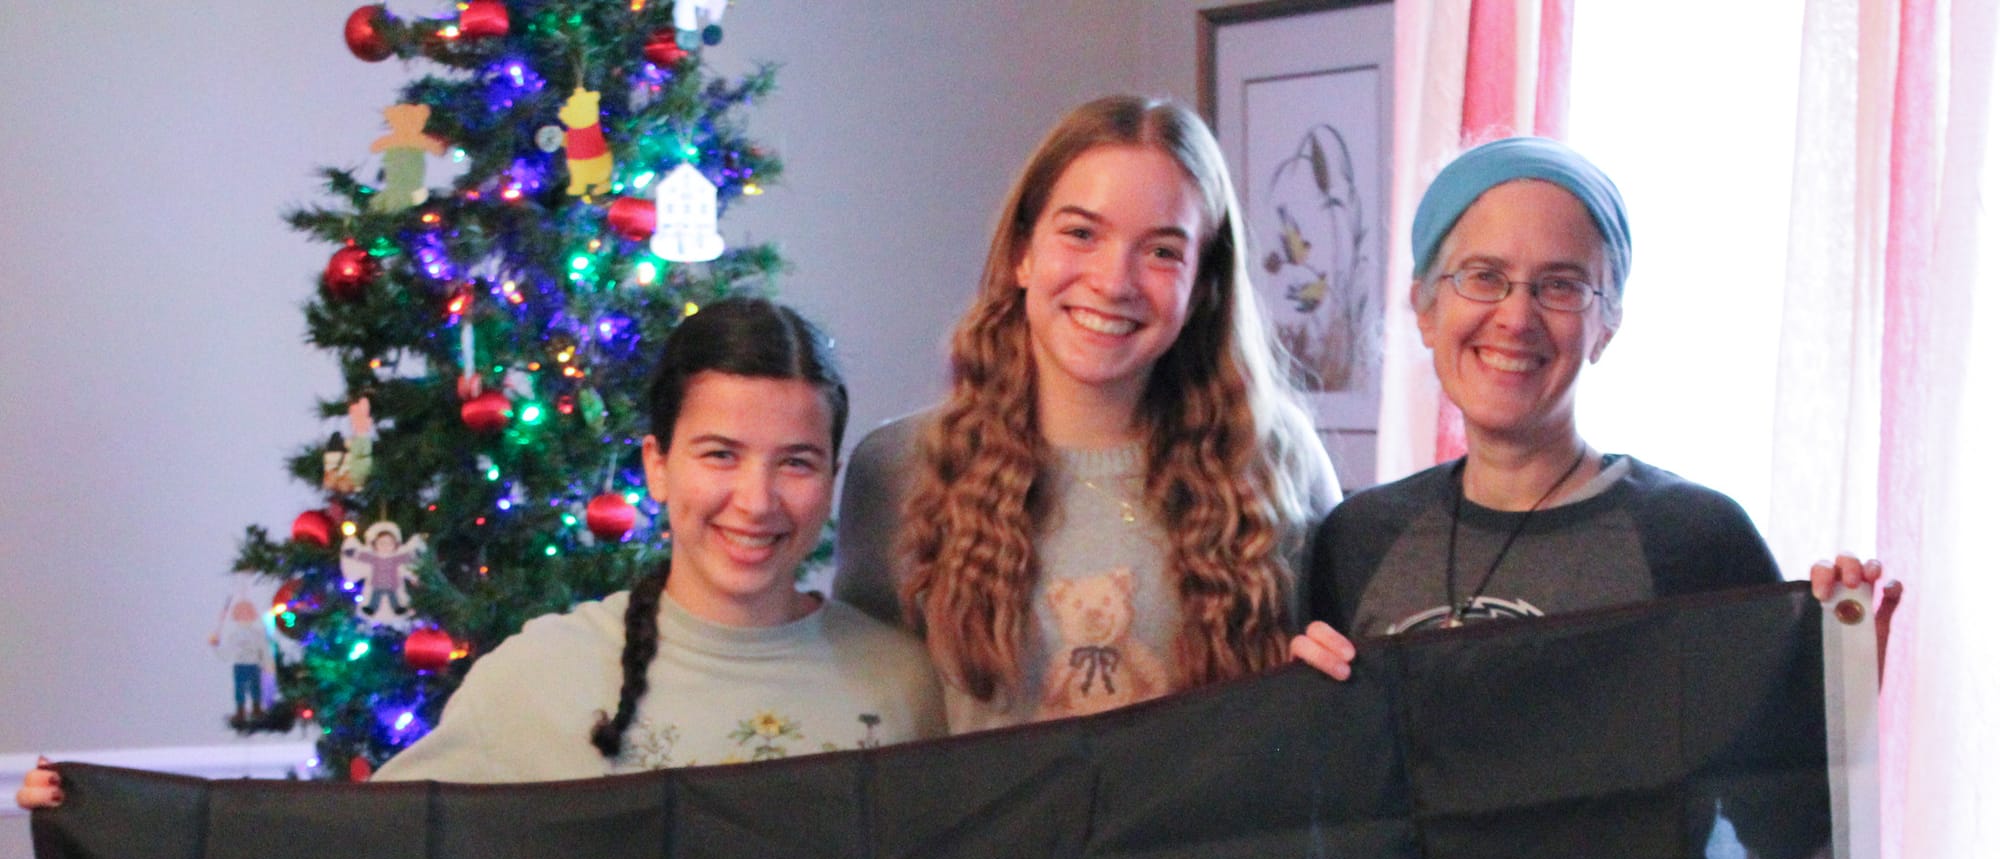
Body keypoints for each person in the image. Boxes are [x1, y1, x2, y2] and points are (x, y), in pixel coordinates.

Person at [17, 301, 943, 811]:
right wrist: (117, 815)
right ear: (656, 465)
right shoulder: (539, 678)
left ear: (830, 478)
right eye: (719, 456)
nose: (757, 501)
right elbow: (342, 857)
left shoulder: (906, 687)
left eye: (797, 463)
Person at [1286, 136, 1888, 684]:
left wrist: (1846, 684)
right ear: (1425, 307)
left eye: (1561, 286)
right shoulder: (1356, 539)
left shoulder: (1698, 541)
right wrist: (1301, 710)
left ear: (1607, 324)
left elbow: (1775, 776)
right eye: (1484, 276)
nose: (1516, 318)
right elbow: (1331, 787)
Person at [834, 94, 1340, 733]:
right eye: (1081, 233)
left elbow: (1333, 696)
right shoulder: (899, 471)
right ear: (1023, 251)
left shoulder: (1273, 460)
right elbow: (870, 726)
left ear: (1203, 284)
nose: (1113, 281)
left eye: (1161, 251)